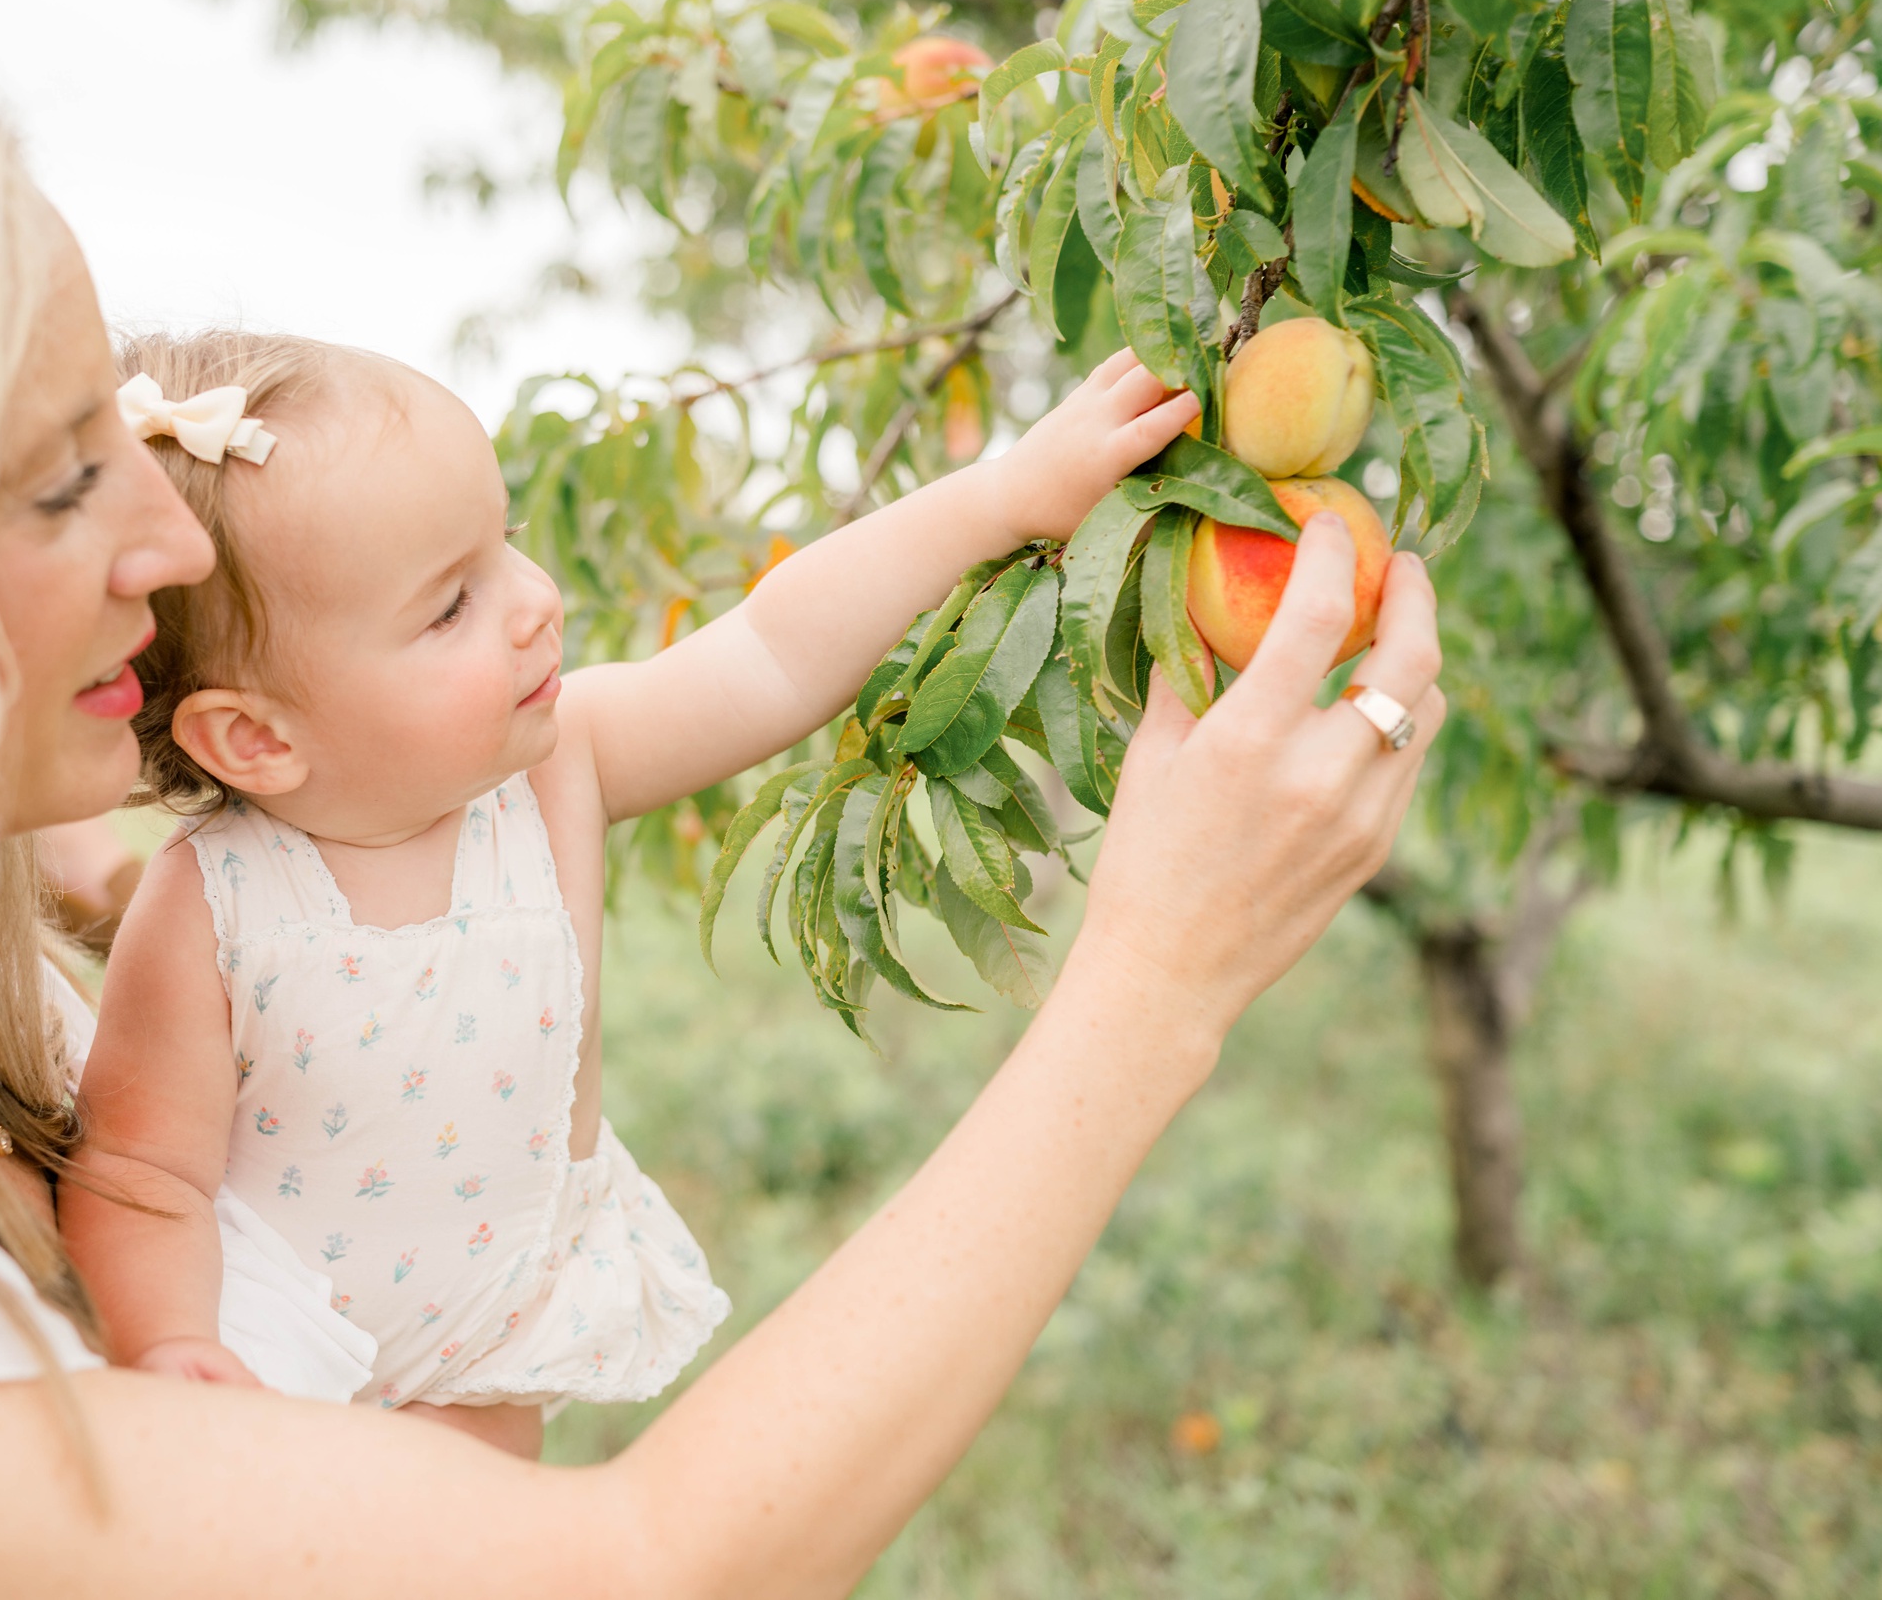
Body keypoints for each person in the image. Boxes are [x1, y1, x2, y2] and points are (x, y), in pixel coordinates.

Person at [0, 16, 1445, 1599]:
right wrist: (1161, 968)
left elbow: (750, 656)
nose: (157, 531)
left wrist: (1002, 493)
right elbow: (657, 1566)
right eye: (59, 478)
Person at [60, 332, 1201, 1459]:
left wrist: (1002, 497)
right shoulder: (215, 905)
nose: (534, 601)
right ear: (257, 736)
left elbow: (771, 649)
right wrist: (170, 1343)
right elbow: (142, 1171)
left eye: (502, 545)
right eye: (449, 606)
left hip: (480, 1352)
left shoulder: (557, 769)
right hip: (276, 1367)